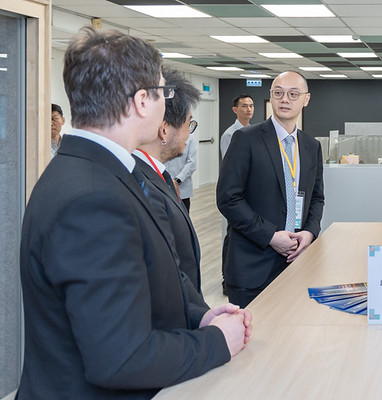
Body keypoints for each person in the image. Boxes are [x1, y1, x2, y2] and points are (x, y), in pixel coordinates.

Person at [17, 27, 251, 399]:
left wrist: (199, 316)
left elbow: (149, 277)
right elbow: (120, 358)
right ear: (143, 101)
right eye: (164, 92)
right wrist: (216, 341)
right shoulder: (92, 199)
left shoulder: (101, 171)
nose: (166, 102)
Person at [217, 71, 325, 308]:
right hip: (252, 266)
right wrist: (270, 236)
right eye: (278, 93)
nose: (285, 99)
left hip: (296, 261)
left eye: (293, 94)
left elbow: (316, 198)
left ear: (306, 99)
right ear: (271, 96)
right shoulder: (245, 139)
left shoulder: (311, 146)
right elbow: (228, 198)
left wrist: (309, 232)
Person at [133, 66, 203, 292]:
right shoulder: (142, 184)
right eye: (188, 124)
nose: (189, 134)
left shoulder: (159, 176)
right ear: (164, 130)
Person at [165, 134, 198, 211]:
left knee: (183, 215)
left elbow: (192, 164)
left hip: (182, 189)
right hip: (164, 187)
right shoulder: (162, 135)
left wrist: (177, 180)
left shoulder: (190, 137)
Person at [220, 93, 254, 159]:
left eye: (251, 106)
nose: (249, 109)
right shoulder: (229, 135)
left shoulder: (254, 132)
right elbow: (227, 161)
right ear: (235, 110)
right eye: (244, 106)